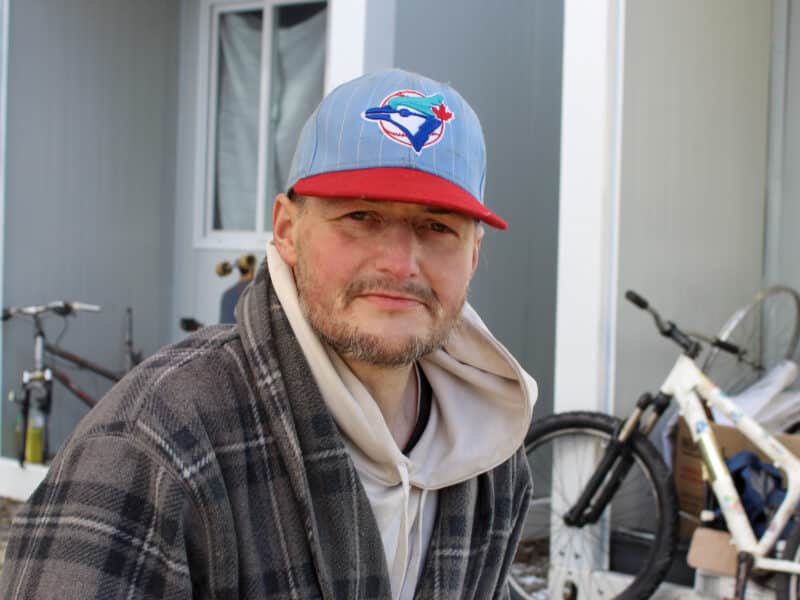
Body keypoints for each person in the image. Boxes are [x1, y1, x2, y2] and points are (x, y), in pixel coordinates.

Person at [1, 69, 537, 599]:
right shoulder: (154, 444)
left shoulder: (488, 452)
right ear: (286, 230)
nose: (400, 263)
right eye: (360, 216)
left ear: (472, 255)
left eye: (437, 226)